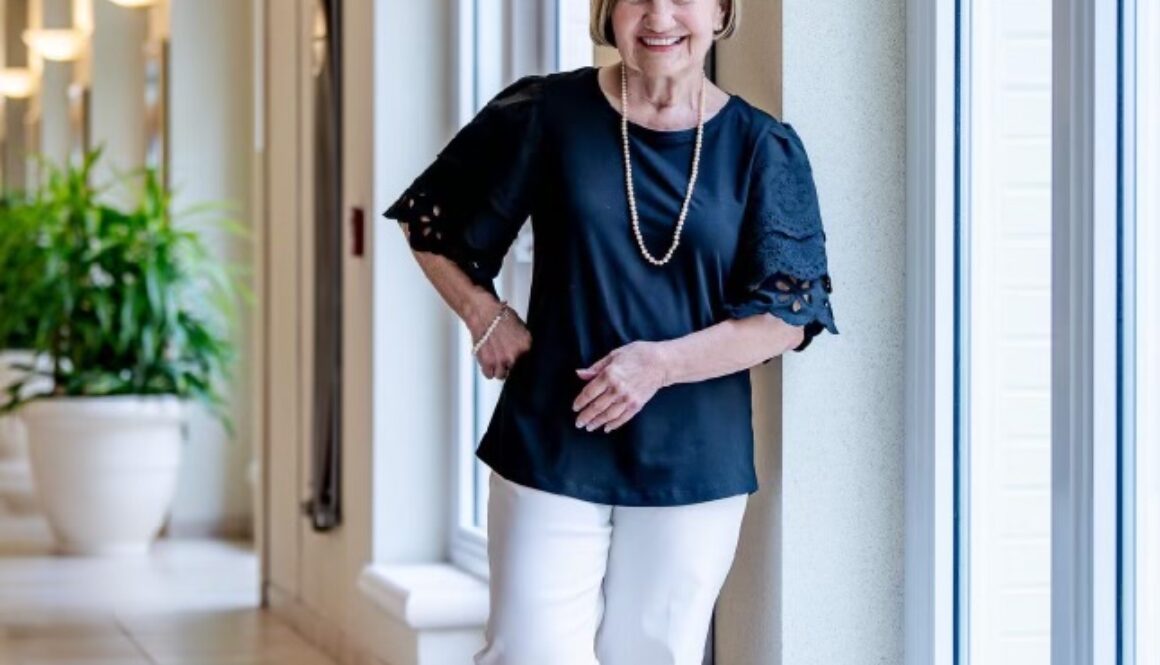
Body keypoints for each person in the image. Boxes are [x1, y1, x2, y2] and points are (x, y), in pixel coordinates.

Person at [382, 1, 838, 662]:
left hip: (693, 459)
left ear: (719, 11)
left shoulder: (760, 148)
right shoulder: (547, 113)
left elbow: (787, 318)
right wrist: (486, 316)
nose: (659, 16)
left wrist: (658, 365)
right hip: (552, 440)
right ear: (607, 11)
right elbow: (429, 221)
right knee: (528, 653)